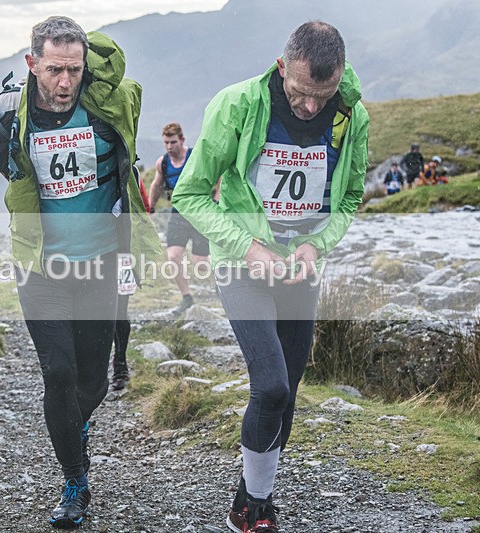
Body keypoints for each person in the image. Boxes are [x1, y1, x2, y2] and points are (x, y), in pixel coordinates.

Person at [172, 21, 368, 533]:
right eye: (300, 93)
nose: (308, 108)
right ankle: (254, 510)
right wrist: (248, 247)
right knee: (272, 385)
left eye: (320, 97)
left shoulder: (352, 116)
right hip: (242, 267)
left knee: (291, 388)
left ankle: (251, 494)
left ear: (340, 77)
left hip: (300, 269)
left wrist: (314, 244)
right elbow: (189, 194)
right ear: (282, 68)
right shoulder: (236, 106)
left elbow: (348, 198)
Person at [0, 16, 161, 528]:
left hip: (102, 263)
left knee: (94, 381)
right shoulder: (10, 115)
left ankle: (72, 429)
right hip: (41, 266)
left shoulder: (109, 106)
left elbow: (133, 112)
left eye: (74, 70)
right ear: (32, 63)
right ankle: (75, 481)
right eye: (54, 69)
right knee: (58, 373)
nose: (63, 82)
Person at [148, 123, 211, 316]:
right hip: (178, 212)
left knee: (199, 263)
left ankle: (225, 288)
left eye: (173, 142)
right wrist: (150, 207)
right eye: (166, 142)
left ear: (182, 140)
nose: (169, 146)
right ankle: (187, 298)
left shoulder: (195, 157)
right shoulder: (163, 163)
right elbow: (156, 185)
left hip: (200, 213)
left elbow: (217, 175)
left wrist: (216, 199)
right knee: (173, 256)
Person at [111, 171, 150, 391]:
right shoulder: (129, 170)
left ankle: (120, 364)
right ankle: (118, 365)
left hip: (123, 252)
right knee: (116, 311)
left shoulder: (131, 174)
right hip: (117, 252)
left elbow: (144, 210)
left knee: (119, 309)